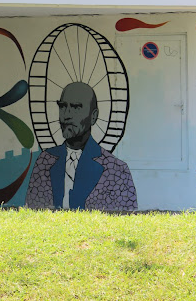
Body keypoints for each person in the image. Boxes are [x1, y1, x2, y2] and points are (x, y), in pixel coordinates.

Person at [25, 82, 137, 210]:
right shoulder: (45, 161)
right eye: (62, 106)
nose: (66, 115)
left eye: (76, 108)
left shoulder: (117, 170)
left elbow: (125, 218)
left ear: (93, 116)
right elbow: (33, 212)